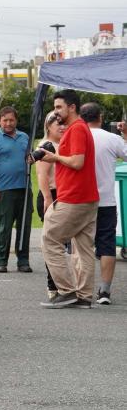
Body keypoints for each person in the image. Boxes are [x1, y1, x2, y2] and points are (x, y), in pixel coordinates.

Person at [39, 89, 99, 309]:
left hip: (74, 198)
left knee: (49, 238)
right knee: (84, 248)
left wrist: (53, 157)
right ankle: (84, 296)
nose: (56, 112)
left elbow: (77, 162)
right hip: (87, 197)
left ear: (71, 107)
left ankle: (66, 291)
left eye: (58, 107)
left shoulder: (76, 129)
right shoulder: (79, 128)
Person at [80, 102, 127, 304]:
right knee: (107, 244)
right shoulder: (112, 139)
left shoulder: (76, 137)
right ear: (100, 117)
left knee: (81, 244)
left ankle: (82, 288)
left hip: (80, 199)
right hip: (106, 198)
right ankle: (104, 291)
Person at [0, 107, 33, 273]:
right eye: (5, 120)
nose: (8, 123)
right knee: (4, 227)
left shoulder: (25, 137)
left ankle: (23, 260)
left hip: (25, 189)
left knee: (24, 227)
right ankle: (1, 260)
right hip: (4, 190)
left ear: (16, 121)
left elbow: (29, 158)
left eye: (11, 120)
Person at [35, 111, 64, 300]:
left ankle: (63, 283)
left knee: (61, 243)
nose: (62, 127)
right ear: (48, 127)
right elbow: (42, 175)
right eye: (57, 124)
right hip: (51, 195)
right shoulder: (46, 146)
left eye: (63, 124)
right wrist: (47, 198)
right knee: (53, 242)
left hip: (65, 195)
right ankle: (52, 284)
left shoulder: (64, 144)